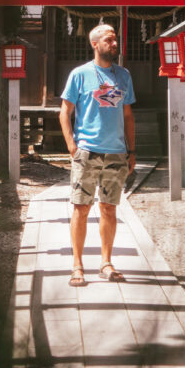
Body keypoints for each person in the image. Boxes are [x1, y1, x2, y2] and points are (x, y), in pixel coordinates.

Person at [59, 23, 136, 287]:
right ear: (95, 44)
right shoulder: (79, 75)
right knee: (81, 208)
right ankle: (77, 265)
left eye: (115, 39)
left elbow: (127, 115)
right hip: (87, 151)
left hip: (116, 152)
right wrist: (72, 146)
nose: (114, 44)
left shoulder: (123, 75)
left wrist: (131, 149)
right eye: (108, 39)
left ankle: (106, 262)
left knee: (109, 209)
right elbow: (64, 112)